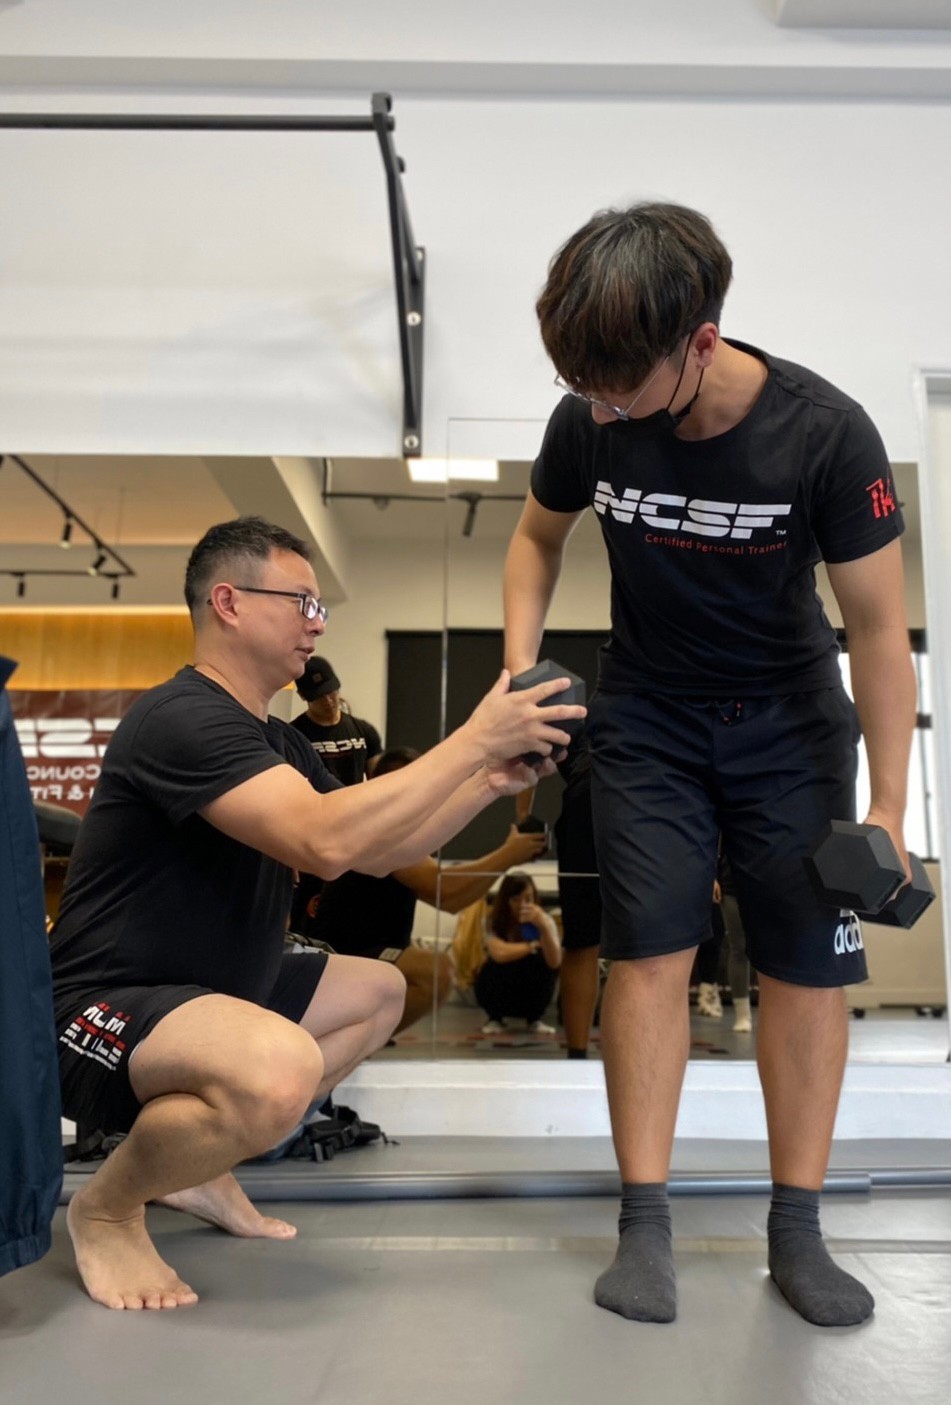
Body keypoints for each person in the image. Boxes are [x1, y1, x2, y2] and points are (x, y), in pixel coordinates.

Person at [503, 202, 914, 1328]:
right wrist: (518, 669)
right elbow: (536, 536)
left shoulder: (828, 434)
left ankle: (797, 1228)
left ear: (700, 341)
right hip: (648, 717)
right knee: (647, 953)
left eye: (618, 390)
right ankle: (644, 1223)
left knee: (806, 967)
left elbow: (879, 628)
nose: (599, 410)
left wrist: (889, 804)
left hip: (791, 724)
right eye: (583, 390)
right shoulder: (589, 420)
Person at [50, 515, 584, 1312]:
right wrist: (476, 738)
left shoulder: (277, 741)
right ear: (228, 602)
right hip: (101, 1006)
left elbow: (381, 848)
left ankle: (195, 1165)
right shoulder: (180, 717)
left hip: (209, 992)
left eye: (319, 606)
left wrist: (487, 780)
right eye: (300, 602)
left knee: (379, 990)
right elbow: (324, 840)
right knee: (280, 1070)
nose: (317, 623)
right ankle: (107, 1206)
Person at [310, 746, 547, 1035]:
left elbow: (454, 899)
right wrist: (508, 855)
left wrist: (509, 856)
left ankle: (356, 1044)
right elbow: (443, 891)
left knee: (435, 972)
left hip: (370, 951)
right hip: (343, 953)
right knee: (435, 973)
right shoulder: (381, 833)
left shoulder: (408, 832)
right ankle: (352, 1046)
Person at [474, 872, 562, 1034]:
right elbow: (499, 953)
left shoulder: (545, 920)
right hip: (503, 981)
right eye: (516, 899)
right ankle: (495, 1017)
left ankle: (534, 1018)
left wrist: (543, 928)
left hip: (532, 983)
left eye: (528, 898)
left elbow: (555, 961)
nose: (523, 905)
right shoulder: (493, 920)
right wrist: (532, 945)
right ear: (506, 900)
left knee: (542, 964)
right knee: (491, 967)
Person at [291, 655, 382, 786]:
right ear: (302, 695)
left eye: (330, 692)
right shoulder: (292, 736)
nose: (328, 701)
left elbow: (378, 783)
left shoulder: (365, 730)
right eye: (319, 696)